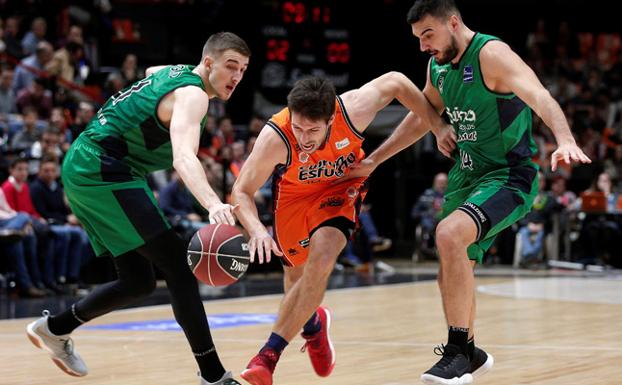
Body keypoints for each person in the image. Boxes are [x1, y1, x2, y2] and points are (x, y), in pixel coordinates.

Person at [345, 1, 591, 384]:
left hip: (509, 175)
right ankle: (470, 350)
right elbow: (420, 117)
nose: (423, 46)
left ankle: (457, 352)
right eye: (418, 38)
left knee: (448, 233)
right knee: (449, 268)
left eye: (428, 34)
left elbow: (539, 95)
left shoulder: (492, 55)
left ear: (453, 22)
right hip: (466, 173)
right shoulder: (438, 66)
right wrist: (375, 160)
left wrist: (565, 138)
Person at [25, 32, 250, 385]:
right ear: (208, 63)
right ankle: (213, 375)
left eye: (243, 70)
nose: (236, 77)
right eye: (230, 67)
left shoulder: (175, 73)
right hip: (101, 168)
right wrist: (212, 203)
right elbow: (183, 157)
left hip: (95, 164)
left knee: (138, 280)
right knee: (178, 263)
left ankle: (55, 328)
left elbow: (151, 70)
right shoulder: (192, 96)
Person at [232, 74, 444, 385]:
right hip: (293, 197)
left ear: (331, 118)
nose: (304, 138)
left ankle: (267, 357)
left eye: (313, 131)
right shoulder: (276, 136)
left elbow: (397, 82)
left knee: (322, 258)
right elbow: (240, 191)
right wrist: (257, 230)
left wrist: (436, 125)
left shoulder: (354, 109)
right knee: (297, 283)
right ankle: (314, 325)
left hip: (341, 187)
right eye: (299, 128)